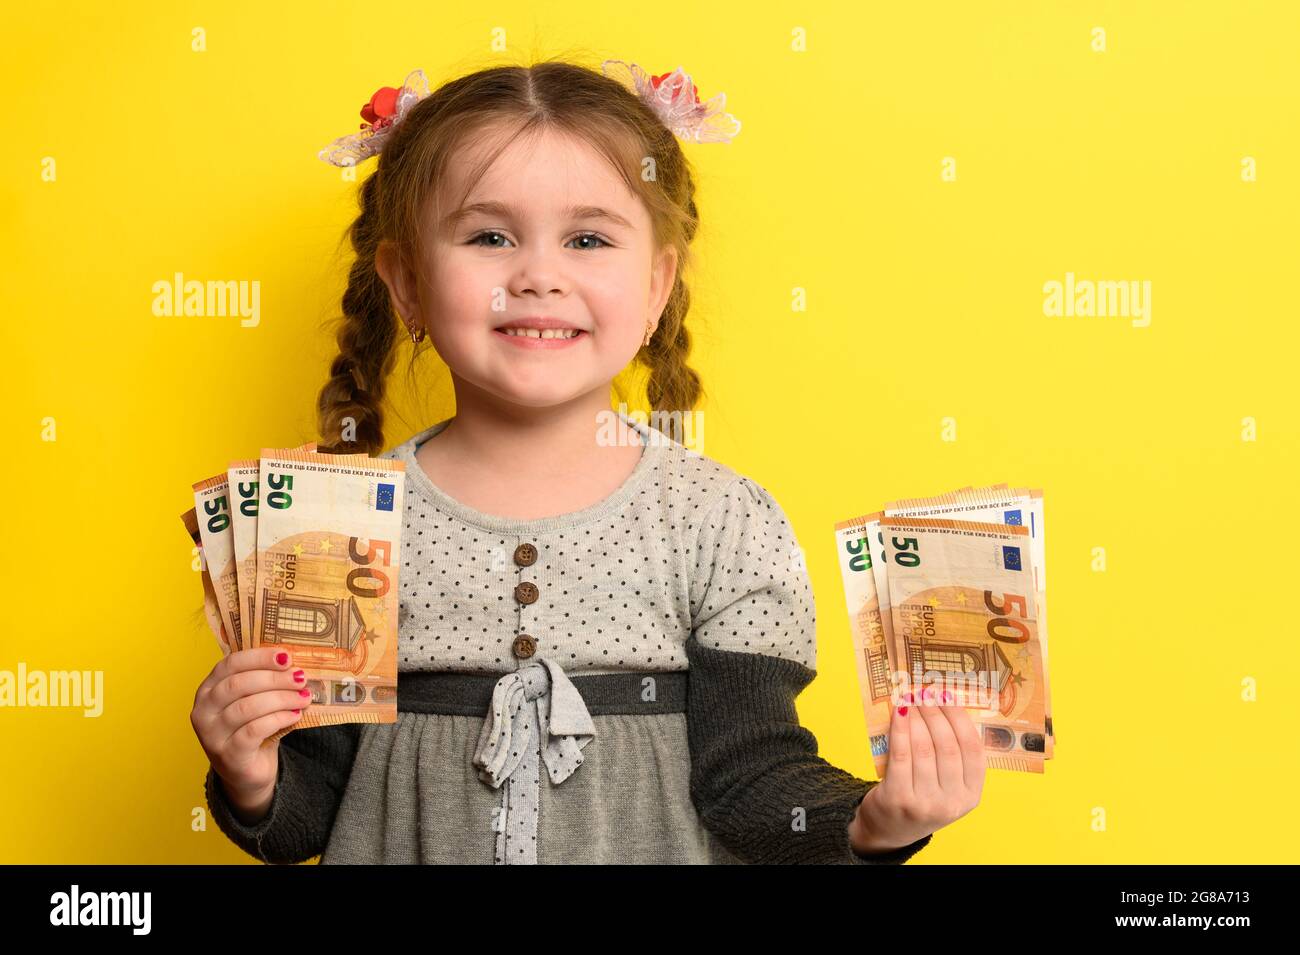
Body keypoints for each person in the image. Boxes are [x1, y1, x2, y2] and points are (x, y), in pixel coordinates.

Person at [189, 58, 985, 864]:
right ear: (407, 286)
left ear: (655, 287)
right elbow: (309, 818)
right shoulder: (337, 530)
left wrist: (874, 821)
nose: (538, 275)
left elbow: (753, 779)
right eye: (489, 236)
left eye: (589, 238)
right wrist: (251, 773)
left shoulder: (722, 520)